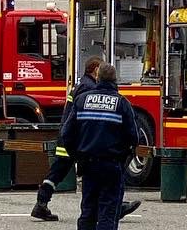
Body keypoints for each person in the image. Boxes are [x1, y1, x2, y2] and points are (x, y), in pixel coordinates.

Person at [33, 58, 140, 223]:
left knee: (58, 174)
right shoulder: (91, 90)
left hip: (75, 142)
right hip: (87, 146)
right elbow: (130, 135)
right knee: (103, 201)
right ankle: (115, 208)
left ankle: (41, 202)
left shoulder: (80, 86)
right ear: (96, 69)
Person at [60, 63, 138, 230]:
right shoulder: (122, 103)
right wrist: (122, 157)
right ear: (115, 80)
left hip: (87, 164)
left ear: (97, 77)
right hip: (112, 165)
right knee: (108, 212)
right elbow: (133, 137)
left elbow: (66, 134)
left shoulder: (82, 100)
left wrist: (77, 156)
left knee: (88, 210)